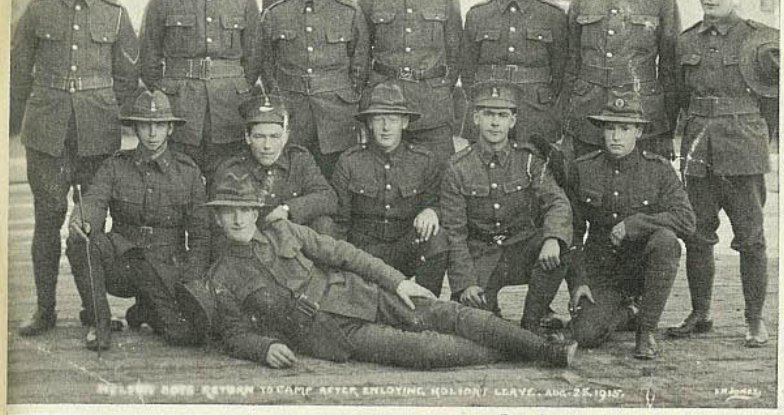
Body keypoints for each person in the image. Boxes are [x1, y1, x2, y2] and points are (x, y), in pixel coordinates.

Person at [179, 171, 577, 369]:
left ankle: (544, 351)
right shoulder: (221, 277)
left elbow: (347, 255)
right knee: (424, 351)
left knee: (446, 313)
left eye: (244, 211)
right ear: (216, 220)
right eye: (228, 213)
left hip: (361, 293)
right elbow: (232, 333)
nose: (237, 220)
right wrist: (263, 348)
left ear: (256, 211)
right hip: (332, 334)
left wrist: (398, 281)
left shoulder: (285, 228)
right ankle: (515, 352)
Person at [10, 0, 139, 336]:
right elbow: (17, 75)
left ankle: (92, 307)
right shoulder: (36, 11)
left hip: (97, 134)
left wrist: (113, 119)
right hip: (47, 133)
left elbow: (127, 78)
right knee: (47, 220)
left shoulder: (115, 14)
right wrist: (15, 128)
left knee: (91, 224)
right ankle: (45, 308)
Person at [668, 0, 779, 347]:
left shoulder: (761, 39)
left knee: (750, 238)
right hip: (698, 150)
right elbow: (678, 98)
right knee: (697, 236)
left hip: (743, 151)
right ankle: (701, 314)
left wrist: (758, 140)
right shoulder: (686, 40)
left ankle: (753, 320)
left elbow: (774, 103)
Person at [66, 89, 210, 350]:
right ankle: (100, 322)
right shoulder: (116, 166)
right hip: (125, 264)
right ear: (135, 128)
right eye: (145, 126)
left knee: (186, 335)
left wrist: (191, 279)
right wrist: (84, 220)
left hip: (166, 270)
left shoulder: (188, 172)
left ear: (170, 128)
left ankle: (145, 310)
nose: (152, 134)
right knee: (82, 243)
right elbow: (95, 200)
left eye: (159, 126)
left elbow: (200, 234)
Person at [568, 91, 695, 359]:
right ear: (602, 131)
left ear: (638, 132)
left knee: (666, 241)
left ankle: (646, 329)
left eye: (624, 129)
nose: (616, 136)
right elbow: (574, 231)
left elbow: (686, 220)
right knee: (585, 336)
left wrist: (636, 223)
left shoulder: (658, 170)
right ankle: (628, 312)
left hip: (640, 268)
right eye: (610, 128)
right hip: (601, 270)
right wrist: (578, 281)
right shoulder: (583, 169)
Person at [140, 0, 262, 183]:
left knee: (226, 185)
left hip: (229, 109)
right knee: (179, 183)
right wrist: (166, 95)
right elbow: (148, 56)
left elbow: (254, 59)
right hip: (181, 109)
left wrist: (233, 87)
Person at [440, 83, 572, 333]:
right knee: (478, 326)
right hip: (482, 256)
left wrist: (553, 238)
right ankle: (491, 311)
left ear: (513, 121)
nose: (494, 123)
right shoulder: (458, 168)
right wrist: (465, 283)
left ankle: (532, 322)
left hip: (521, 249)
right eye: (488, 114)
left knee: (561, 247)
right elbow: (454, 232)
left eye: (502, 116)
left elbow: (557, 202)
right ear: (476, 118)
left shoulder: (529, 159)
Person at [563, 0, 680, 159]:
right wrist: (567, 115)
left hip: (640, 112)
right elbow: (572, 60)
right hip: (589, 109)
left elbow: (670, 67)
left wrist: (666, 124)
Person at [259, 0, 370, 178]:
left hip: (337, 118)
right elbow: (266, 66)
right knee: (291, 180)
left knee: (338, 182)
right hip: (293, 116)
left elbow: (360, 65)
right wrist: (281, 101)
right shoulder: (275, 14)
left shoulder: (349, 13)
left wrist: (346, 99)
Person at [357, 0, 462, 168]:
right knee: (382, 172)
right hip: (384, 102)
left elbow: (456, 51)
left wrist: (439, 88)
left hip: (432, 104)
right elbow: (360, 54)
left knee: (438, 172)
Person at [331, 81, 448, 296]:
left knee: (436, 238)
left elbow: (438, 202)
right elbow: (340, 222)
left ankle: (425, 308)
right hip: (364, 253)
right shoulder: (349, 162)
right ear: (369, 123)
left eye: (393, 119)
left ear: (404, 123)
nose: (386, 127)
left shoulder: (423, 160)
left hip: (405, 248)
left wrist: (432, 211)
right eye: (379, 119)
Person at [460, 0, 567, 143]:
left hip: (535, 110)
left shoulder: (552, 15)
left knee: (533, 166)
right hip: (490, 105)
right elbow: (467, 70)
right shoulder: (478, 15)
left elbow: (562, 71)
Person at [212, 90, 337, 255]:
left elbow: (328, 197)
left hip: (294, 247)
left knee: (324, 224)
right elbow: (220, 223)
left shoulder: (299, 159)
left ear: (285, 137)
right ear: (247, 137)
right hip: (252, 250)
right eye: (259, 137)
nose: (267, 146)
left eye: (274, 136)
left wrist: (288, 209)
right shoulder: (233, 169)